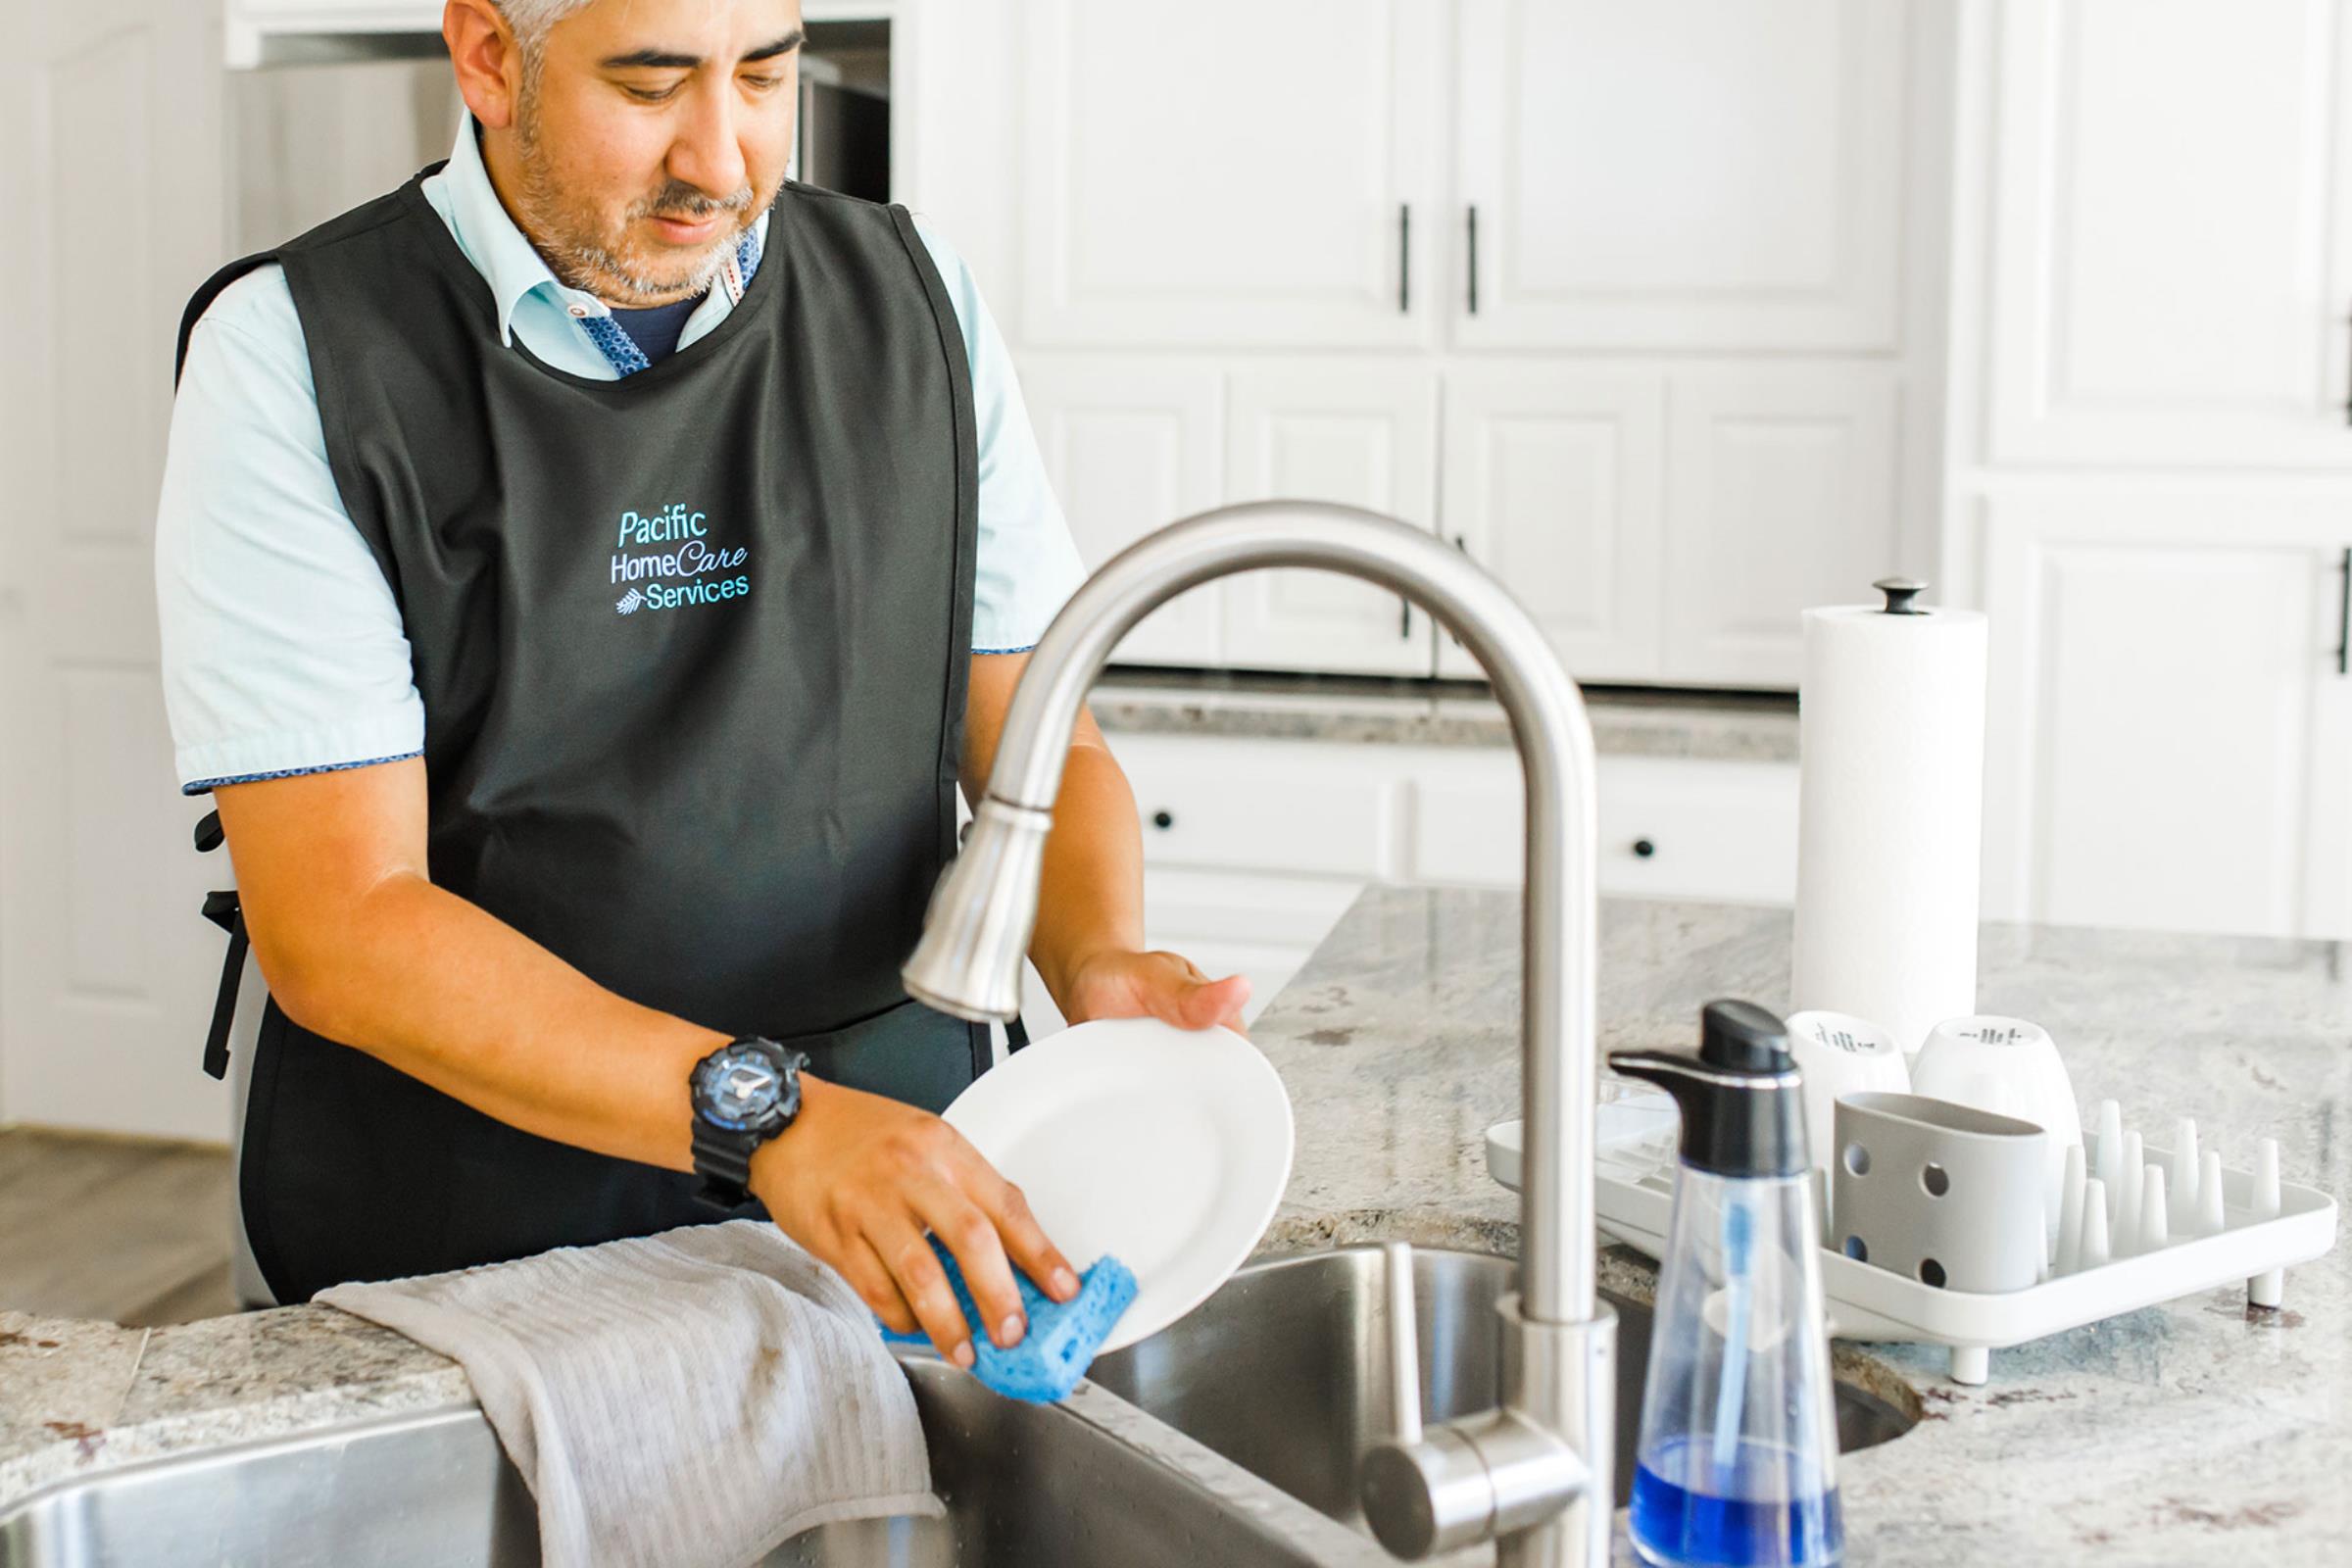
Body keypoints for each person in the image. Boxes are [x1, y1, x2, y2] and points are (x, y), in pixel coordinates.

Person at [152, 0, 1248, 1372]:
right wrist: (772, 1118)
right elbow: (343, 923)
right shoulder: (295, 355)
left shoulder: (916, 307)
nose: (722, 162)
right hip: (461, 1237)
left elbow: (1043, 752)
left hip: (898, 1196)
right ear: (491, 56)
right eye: (652, 85)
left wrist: (1095, 955)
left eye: (766, 77)